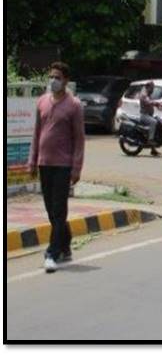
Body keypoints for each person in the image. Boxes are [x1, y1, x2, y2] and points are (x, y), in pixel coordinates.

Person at [27, 62, 85, 273]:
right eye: (51, 76)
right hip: (44, 163)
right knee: (52, 210)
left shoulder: (74, 105)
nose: (53, 80)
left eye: (57, 77)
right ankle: (66, 244)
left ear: (66, 80)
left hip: (63, 165)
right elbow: (36, 134)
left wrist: (76, 168)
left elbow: (79, 139)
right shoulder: (42, 101)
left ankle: (52, 252)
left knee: (59, 209)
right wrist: (32, 161)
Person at [138, 81, 162, 156]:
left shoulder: (148, 94)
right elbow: (148, 102)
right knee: (154, 122)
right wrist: (156, 103)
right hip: (144, 116)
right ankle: (150, 140)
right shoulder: (144, 94)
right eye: (152, 88)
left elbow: (152, 103)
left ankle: (153, 150)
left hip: (149, 115)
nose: (153, 90)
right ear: (148, 87)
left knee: (158, 122)